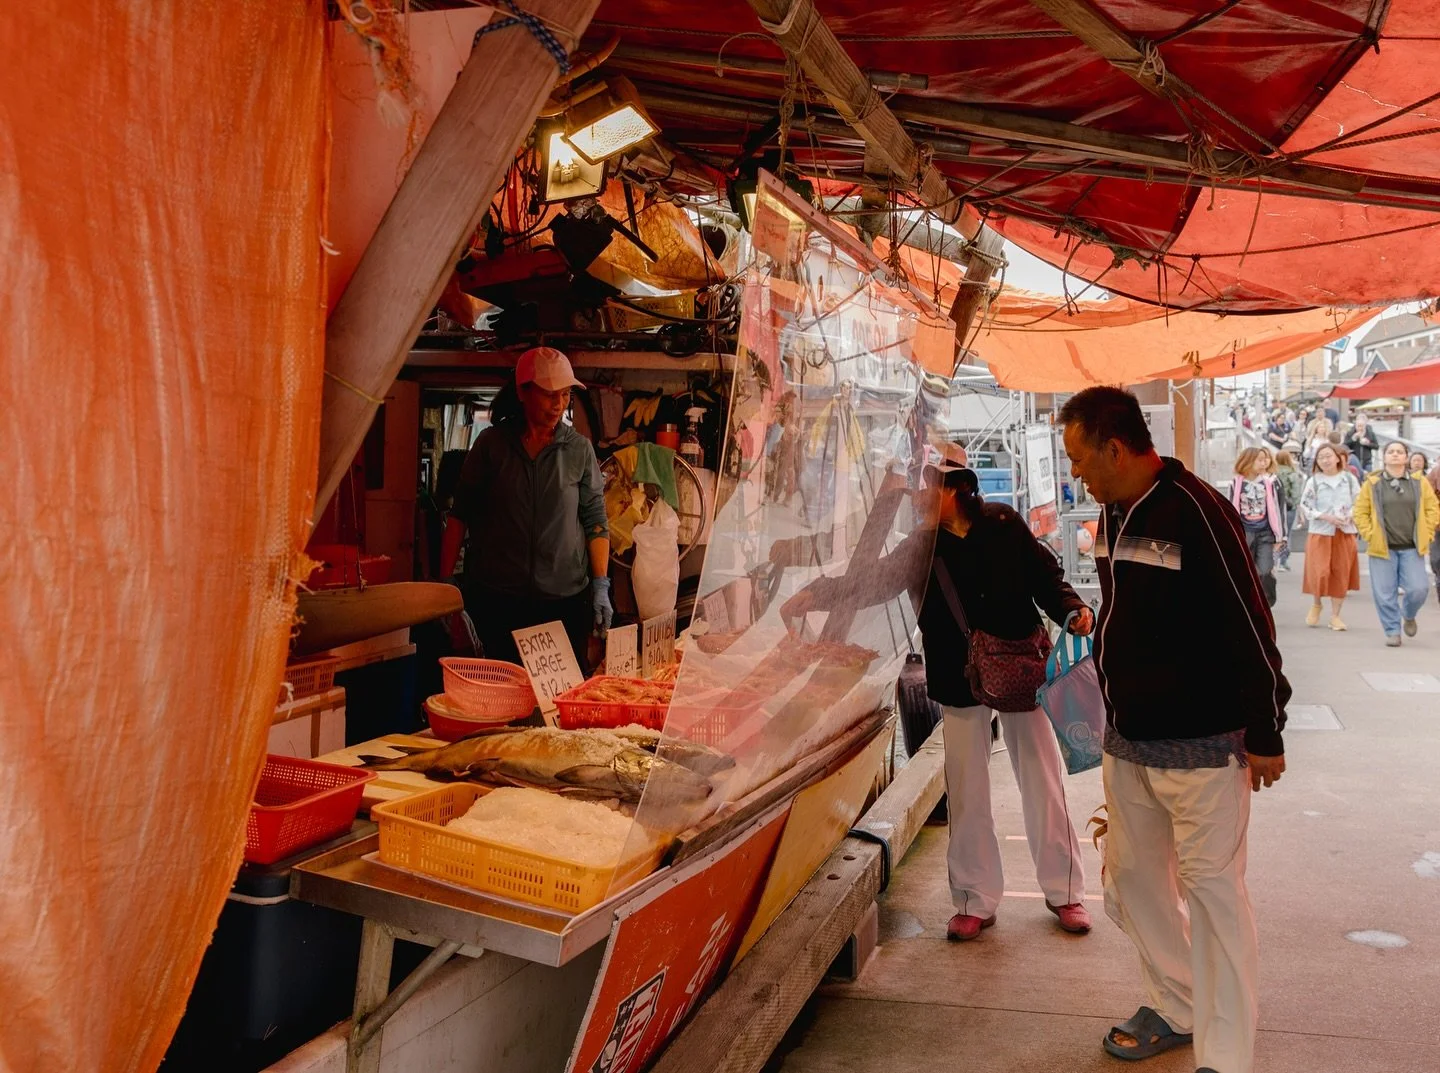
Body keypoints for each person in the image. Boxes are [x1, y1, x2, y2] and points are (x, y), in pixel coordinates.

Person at [1058, 386, 1289, 1073]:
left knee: (1212, 890)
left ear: (1115, 448)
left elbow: (1250, 618)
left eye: (1079, 459)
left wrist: (1266, 727)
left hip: (1203, 748)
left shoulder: (1196, 509)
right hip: (1129, 742)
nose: (1077, 473)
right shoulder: (1113, 509)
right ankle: (1178, 1001)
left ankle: (1224, 1055)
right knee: (1131, 878)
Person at [782, 458, 1096, 942]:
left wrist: (1073, 607)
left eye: (929, 486)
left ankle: (1065, 891)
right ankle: (974, 900)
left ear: (956, 490)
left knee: (1042, 779)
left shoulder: (1004, 524)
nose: (919, 496)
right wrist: (817, 593)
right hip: (956, 672)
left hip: (1018, 670)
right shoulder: (922, 545)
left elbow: (1045, 576)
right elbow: (874, 582)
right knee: (967, 788)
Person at [440, 347, 612, 671]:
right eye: (549, 395)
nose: (558, 405)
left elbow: (595, 520)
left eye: (564, 395)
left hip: (564, 603)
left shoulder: (578, 449)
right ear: (523, 392)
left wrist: (601, 584)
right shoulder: (491, 446)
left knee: (556, 704)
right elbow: (460, 514)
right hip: (497, 600)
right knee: (502, 700)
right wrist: (447, 581)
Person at [1353, 441, 1440, 647]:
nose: (1395, 455)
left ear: (1406, 457)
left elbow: (1432, 509)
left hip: (1411, 546)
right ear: (1384, 458)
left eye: (1399, 452)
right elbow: (1360, 511)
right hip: (1382, 548)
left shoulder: (1419, 483)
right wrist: (1369, 533)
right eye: (1390, 452)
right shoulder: (1373, 484)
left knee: (1419, 589)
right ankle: (1392, 630)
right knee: (1384, 593)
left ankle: (1408, 614)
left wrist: (1427, 532)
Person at [1299, 443, 1361, 630]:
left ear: (1337, 458)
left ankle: (1335, 616)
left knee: (1340, 573)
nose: (1325, 460)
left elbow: (1359, 501)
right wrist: (1324, 516)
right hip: (1320, 532)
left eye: (1328, 456)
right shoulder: (1314, 481)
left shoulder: (1349, 479)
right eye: (1321, 457)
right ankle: (1317, 603)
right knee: (1319, 572)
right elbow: (1306, 506)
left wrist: (1349, 515)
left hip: (1344, 531)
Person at [1230, 447, 1285, 606]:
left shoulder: (1269, 483)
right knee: (1245, 569)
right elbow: (1230, 508)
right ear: (1248, 461)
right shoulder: (1235, 483)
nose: (1263, 463)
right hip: (1244, 532)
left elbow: (1276, 509)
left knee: (1265, 569)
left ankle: (1265, 603)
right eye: (1259, 460)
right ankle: (1249, 603)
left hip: (1265, 532)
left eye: (1265, 460)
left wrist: (1280, 536)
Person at [1272, 449, 1302, 572]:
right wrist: (1295, 505)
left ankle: (1274, 559)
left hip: (1275, 507)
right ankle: (1283, 561)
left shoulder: (1273, 474)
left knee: (1276, 533)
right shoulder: (1292, 474)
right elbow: (1296, 493)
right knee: (1287, 533)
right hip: (1289, 507)